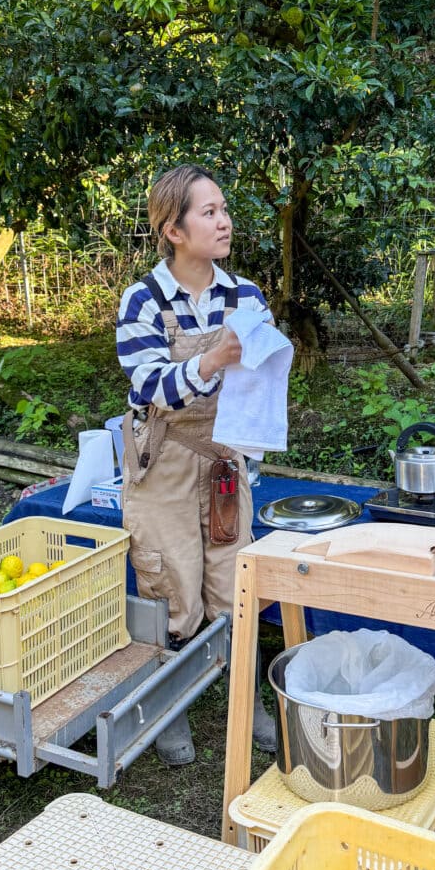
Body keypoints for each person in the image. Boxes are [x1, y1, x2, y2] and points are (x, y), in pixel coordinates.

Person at [116, 164, 277, 765]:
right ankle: (168, 705)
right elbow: (149, 384)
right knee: (169, 580)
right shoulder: (144, 300)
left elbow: (259, 382)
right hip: (163, 457)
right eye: (208, 212)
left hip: (225, 457)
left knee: (234, 578)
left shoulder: (246, 296)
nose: (224, 220)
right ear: (172, 228)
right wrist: (213, 360)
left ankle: (249, 701)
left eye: (223, 208)